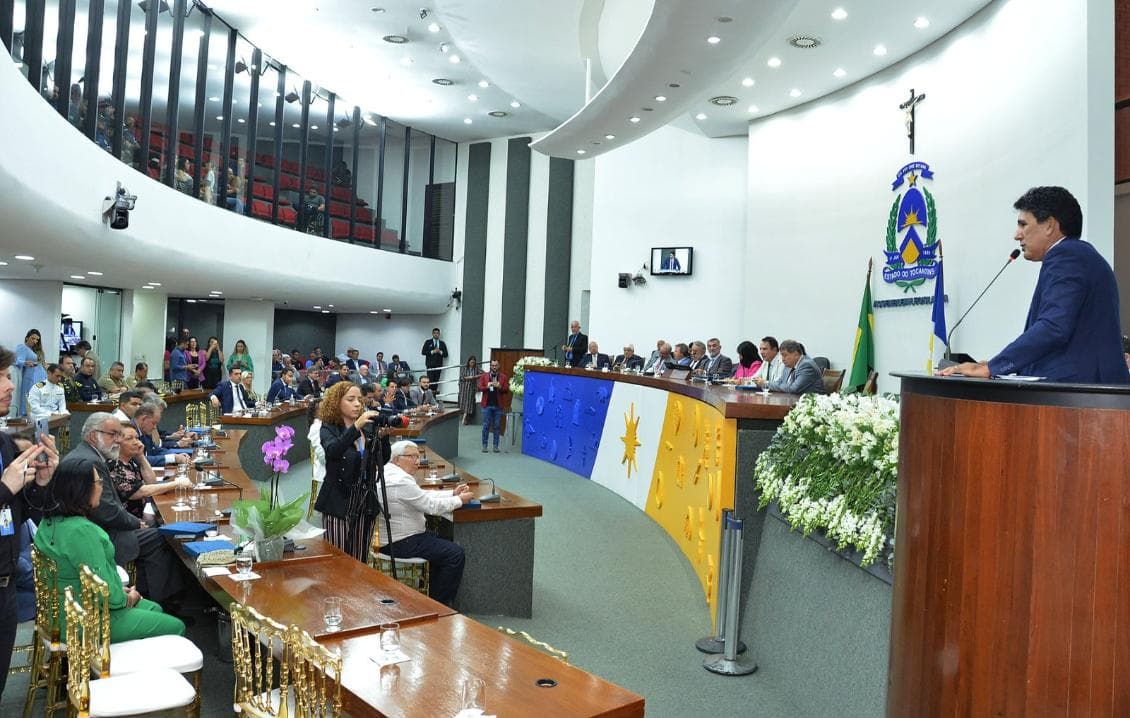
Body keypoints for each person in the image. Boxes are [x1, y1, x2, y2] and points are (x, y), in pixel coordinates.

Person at [938, 186, 1130, 383]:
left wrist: (992, 367)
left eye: (1023, 225)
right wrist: (998, 364)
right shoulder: (1079, 255)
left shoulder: (1067, 255)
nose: (1017, 235)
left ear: (1049, 225)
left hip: (1083, 399)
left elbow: (1054, 327)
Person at [33, 460, 185, 642]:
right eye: (99, 483)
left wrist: (120, 591)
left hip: (59, 612)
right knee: (176, 626)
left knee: (154, 609)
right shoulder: (81, 531)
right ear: (81, 489)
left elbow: (87, 576)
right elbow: (109, 597)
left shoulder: (49, 521)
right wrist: (129, 597)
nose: (102, 488)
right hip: (85, 620)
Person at [57, 412, 184, 604]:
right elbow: (106, 511)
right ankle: (161, 601)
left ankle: (148, 592)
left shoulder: (89, 455)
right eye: (113, 434)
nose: (117, 440)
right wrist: (136, 523)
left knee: (156, 530)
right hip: (102, 535)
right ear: (94, 436)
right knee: (160, 537)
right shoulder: (91, 461)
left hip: (97, 528)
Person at [0, 345, 58, 698]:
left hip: (4, 586)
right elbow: (5, 494)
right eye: (3, 377)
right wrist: (5, 488)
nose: (10, 386)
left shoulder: (5, 445)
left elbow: (28, 512)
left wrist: (42, 482)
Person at [379, 441, 473, 606]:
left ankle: (432, 597)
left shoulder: (387, 472)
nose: (417, 461)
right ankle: (439, 605)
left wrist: (451, 493)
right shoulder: (401, 480)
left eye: (418, 456)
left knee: (442, 544)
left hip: (396, 538)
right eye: (412, 456)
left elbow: (421, 496)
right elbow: (431, 506)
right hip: (402, 542)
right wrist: (459, 500)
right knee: (455, 554)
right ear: (396, 459)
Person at [316, 382, 381, 562]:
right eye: (351, 400)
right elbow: (333, 451)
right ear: (337, 402)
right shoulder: (329, 428)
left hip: (365, 499)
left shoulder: (368, 428)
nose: (357, 404)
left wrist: (384, 437)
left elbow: (382, 460)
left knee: (359, 558)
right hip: (339, 499)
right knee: (338, 560)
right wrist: (355, 428)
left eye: (359, 400)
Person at [108, 424, 191, 521]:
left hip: (138, 515)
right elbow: (138, 492)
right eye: (129, 439)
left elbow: (152, 482)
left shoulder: (130, 460)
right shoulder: (114, 464)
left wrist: (141, 457)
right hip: (127, 522)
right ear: (117, 442)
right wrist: (176, 484)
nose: (136, 442)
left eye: (137, 438)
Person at [754, 340, 825, 395]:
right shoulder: (789, 365)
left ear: (796, 354)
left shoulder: (806, 365)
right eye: (781, 356)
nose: (782, 359)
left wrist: (766, 384)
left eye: (785, 355)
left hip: (810, 405)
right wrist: (767, 383)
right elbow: (780, 382)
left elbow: (793, 389)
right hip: (791, 400)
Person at [14, 329, 47, 418]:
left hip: (38, 377)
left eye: (37, 340)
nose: (35, 341)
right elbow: (16, 360)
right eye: (33, 338)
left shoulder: (33, 350)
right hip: (30, 378)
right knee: (30, 398)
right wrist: (25, 362)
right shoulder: (22, 347)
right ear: (27, 338)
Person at [478, 359, 508, 453]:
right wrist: (487, 386)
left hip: (498, 406)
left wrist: (500, 387)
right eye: (492, 365)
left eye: (496, 365)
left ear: (498, 366)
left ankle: (495, 446)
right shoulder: (484, 376)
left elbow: (506, 389)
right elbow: (479, 387)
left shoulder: (503, 377)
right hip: (486, 405)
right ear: (490, 366)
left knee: (497, 426)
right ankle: (484, 445)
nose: (494, 367)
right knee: (486, 426)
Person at [458, 356, 481, 425]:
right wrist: (469, 378)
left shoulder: (476, 369)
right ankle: (464, 417)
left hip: (471, 388)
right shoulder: (465, 368)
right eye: (471, 362)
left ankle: (464, 418)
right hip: (464, 388)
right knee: (463, 401)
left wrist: (476, 377)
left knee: (469, 402)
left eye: (474, 362)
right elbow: (461, 377)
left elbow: (484, 373)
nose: (472, 363)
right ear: (468, 362)